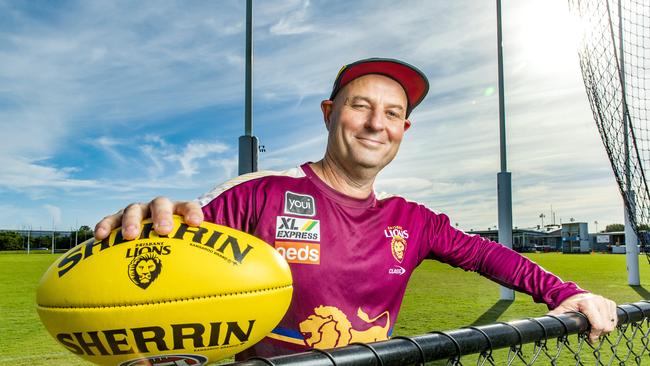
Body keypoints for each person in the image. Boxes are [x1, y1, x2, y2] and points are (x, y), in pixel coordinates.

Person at [95, 58, 618, 359]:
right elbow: (168, 248)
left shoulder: (412, 220)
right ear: (330, 113)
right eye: (360, 106)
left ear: (403, 131)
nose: (375, 124)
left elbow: (487, 255)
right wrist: (139, 230)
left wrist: (566, 293)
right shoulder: (259, 193)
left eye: (392, 114)